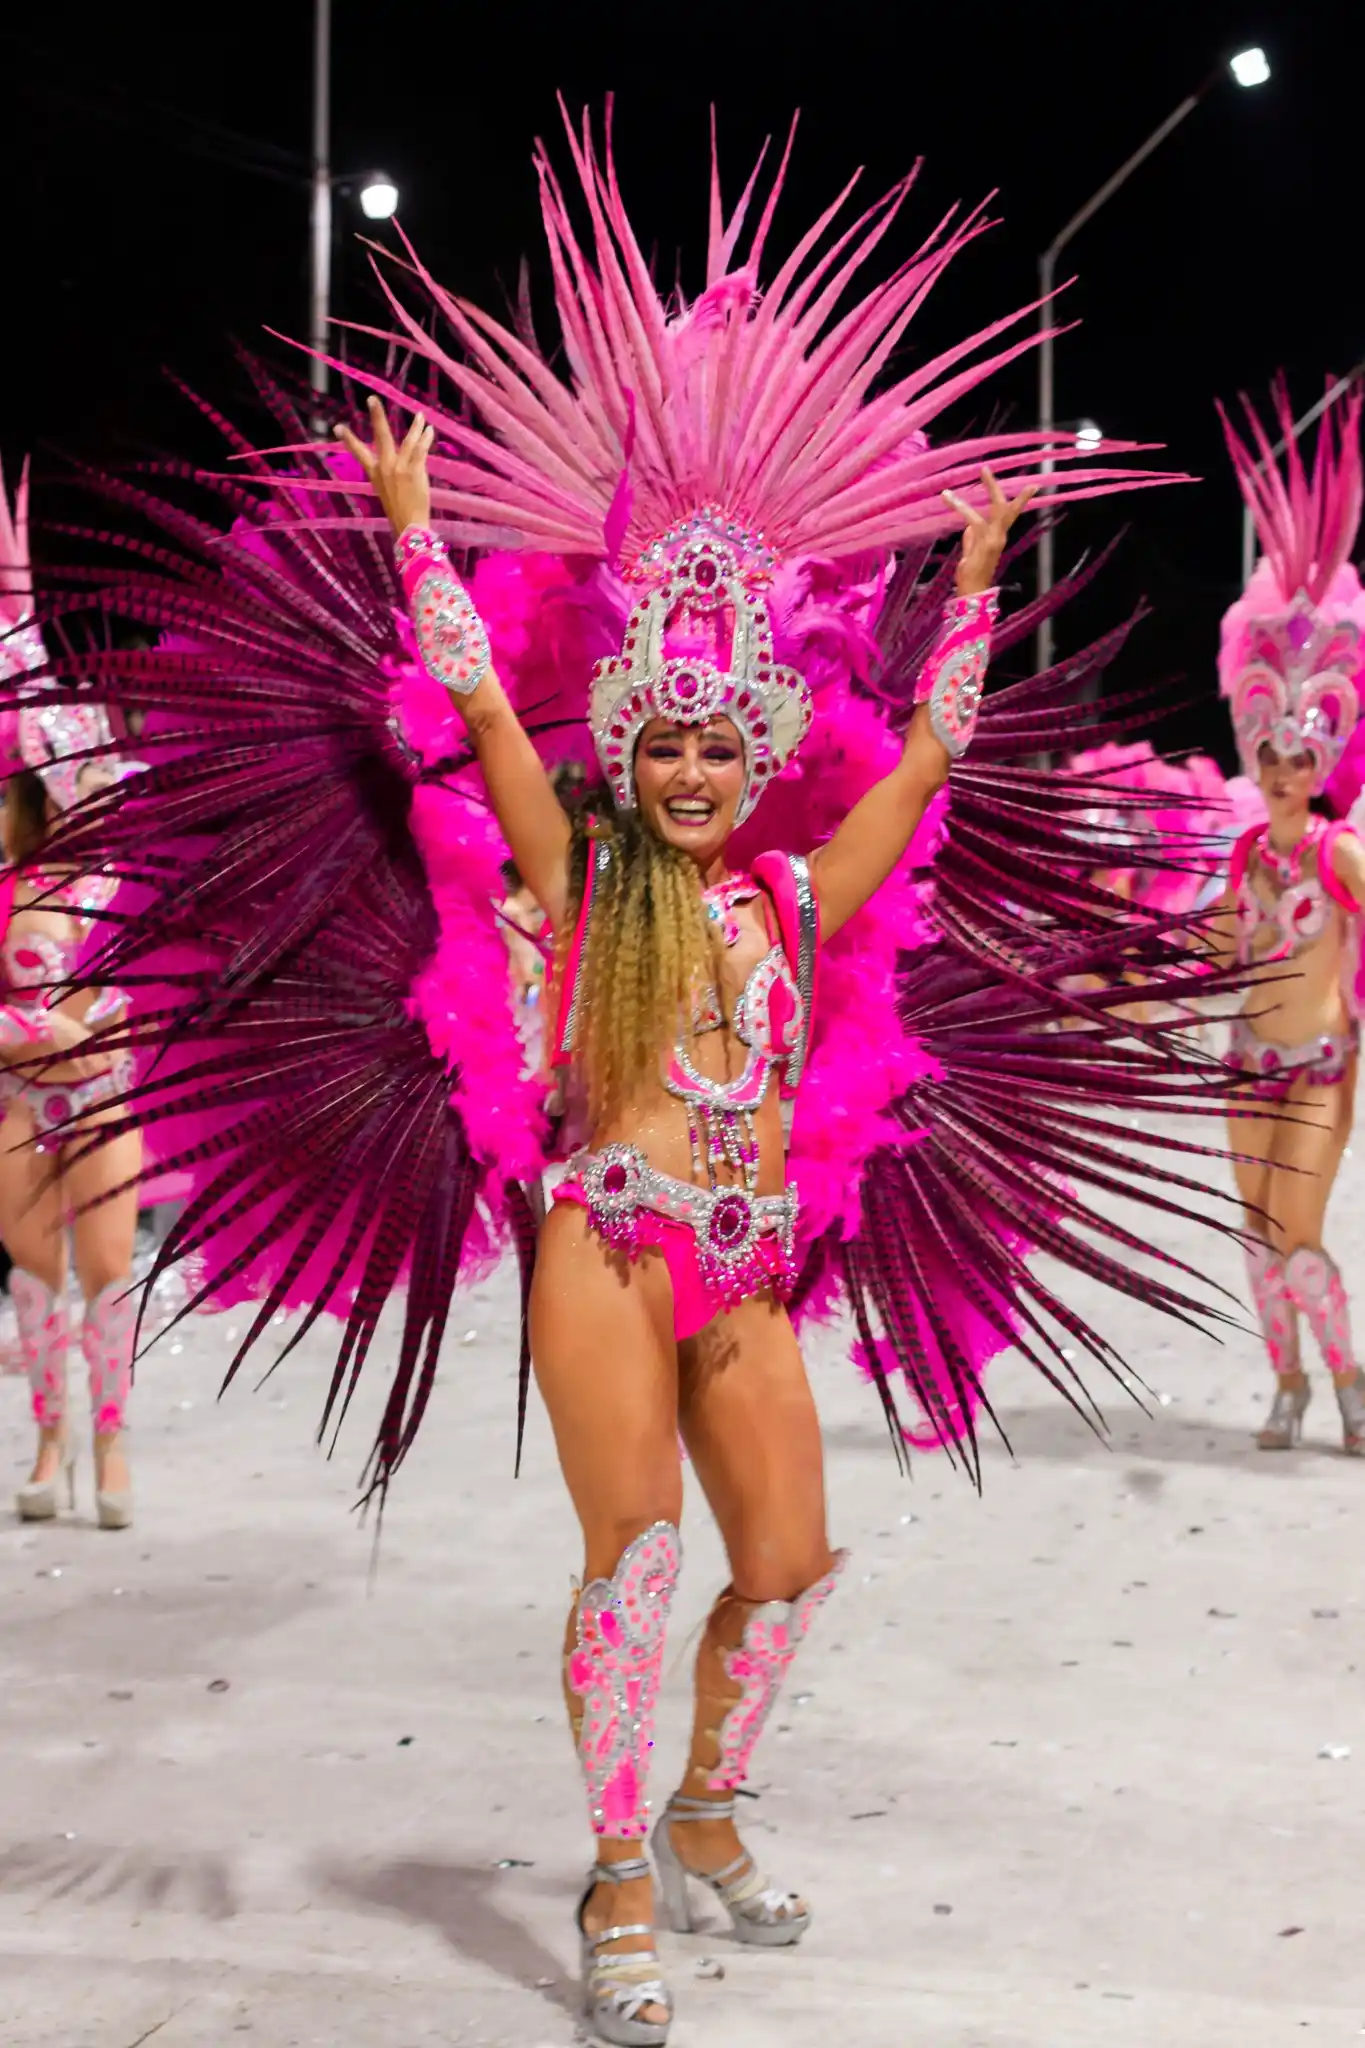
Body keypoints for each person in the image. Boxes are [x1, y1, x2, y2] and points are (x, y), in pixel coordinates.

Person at [26, 116, 1250, 2045]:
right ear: (634, 740)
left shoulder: (786, 887)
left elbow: (931, 759)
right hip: (601, 1243)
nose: (687, 766)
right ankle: (614, 1880)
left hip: (751, 1259)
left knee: (789, 1561)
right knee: (643, 1552)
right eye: (662, 736)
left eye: (715, 741)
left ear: (755, 743)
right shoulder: (573, 867)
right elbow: (489, 708)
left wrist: (980, 579)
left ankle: (701, 1808)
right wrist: (423, 535)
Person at [1210, 382, 1365, 1455]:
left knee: (1300, 1230)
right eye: (1270, 758)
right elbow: (1219, 952)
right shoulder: (1242, 851)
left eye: (1300, 760)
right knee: (1257, 1237)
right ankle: (1287, 1381)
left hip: (1318, 1058)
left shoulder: (1339, 851)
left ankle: (1350, 1374)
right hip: (1244, 1058)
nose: (1282, 773)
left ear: (1323, 761)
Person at [0, 457, 141, 1526]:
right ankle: (49, 1442)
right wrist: (27, 1038)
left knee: (106, 1268)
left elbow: (138, 987)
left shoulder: (119, 882)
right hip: (16, 1104)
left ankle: (113, 1445)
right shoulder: (8, 886)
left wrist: (81, 1029)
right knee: (31, 1268)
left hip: (102, 1098)